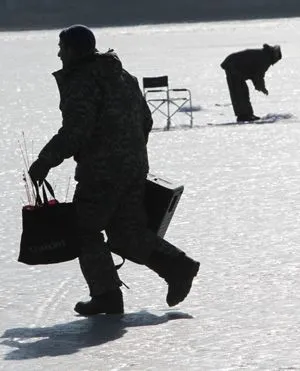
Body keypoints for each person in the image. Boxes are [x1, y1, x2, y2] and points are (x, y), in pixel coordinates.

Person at [28, 24, 200, 316]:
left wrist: (45, 160)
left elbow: (76, 130)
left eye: (61, 47)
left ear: (73, 50)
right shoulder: (123, 76)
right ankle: (178, 266)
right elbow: (146, 120)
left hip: (102, 171)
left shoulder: (83, 80)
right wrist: (130, 153)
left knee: (84, 228)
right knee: (125, 232)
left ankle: (106, 294)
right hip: (133, 168)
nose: (58, 54)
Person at [220, 44, 282, 122]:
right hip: (232, 66)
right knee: (239, 92)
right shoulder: (265, 58)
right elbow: (258, 75)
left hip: (234, 66)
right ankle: (243, 115)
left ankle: (247, 114)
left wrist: (259, 86)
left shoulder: (264, 55)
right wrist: (261, 87)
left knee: (243, 91)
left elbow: (255, 74)